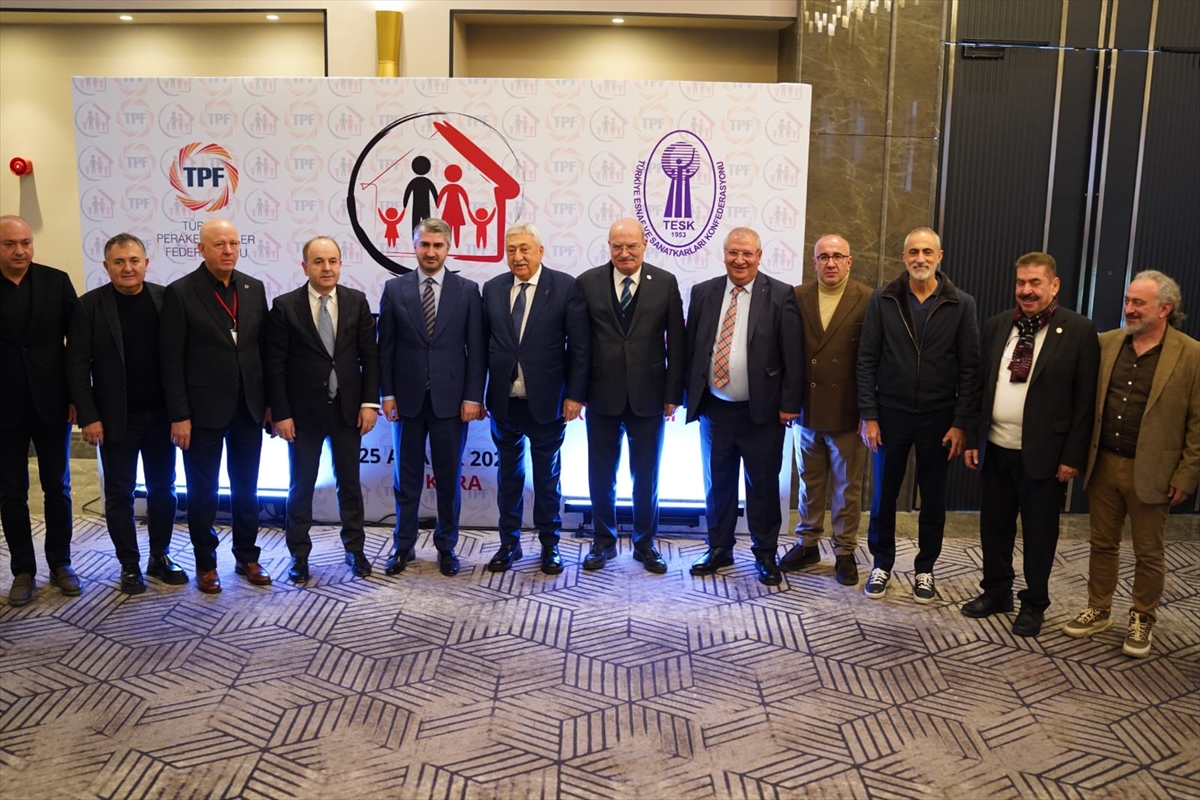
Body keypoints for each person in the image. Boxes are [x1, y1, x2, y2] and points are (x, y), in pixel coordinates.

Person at [1063, 271, 1200, 657]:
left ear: (1165, 309)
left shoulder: (1192, 355)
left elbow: (1197, 423)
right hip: (1104, 463)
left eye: (1139, 303)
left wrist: (1187, 474)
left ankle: (1142, 617)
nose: (1129, 309)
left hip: (1155, 470)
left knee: (1148, 552)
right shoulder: (1105, 343)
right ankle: (1099, 608)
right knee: (1102, 543)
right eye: (1128, 301)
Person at [962, 253, 1099, 636]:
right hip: (995, 447)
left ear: (1054, 285)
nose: (1026, 290)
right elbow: (979, 386)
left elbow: (1085, 401)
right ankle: (996, 592)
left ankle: (1034, 602)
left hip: (1045, 455)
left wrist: (1073, 456)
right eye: (1021, 282)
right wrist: (973, 437)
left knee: (1039, 534)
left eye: (1035, 283)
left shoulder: (1079, 330)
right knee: (995, 528)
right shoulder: (997, 325)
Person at [857, 227, 979, 602]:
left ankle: (925, 569)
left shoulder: (962, 304)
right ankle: (881, 563)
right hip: (889, 415)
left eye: (927, 252)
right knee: (883, 497)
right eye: (914, 252)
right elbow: (866, 360)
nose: (920, 258)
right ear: (904, 257)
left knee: (934, 499)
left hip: (939, 418)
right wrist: (869, 415)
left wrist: (960, 423)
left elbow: (970, 369)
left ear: (939, 257)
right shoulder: (883, 299)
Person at [65, 232, 186, 594]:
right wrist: (89, 416)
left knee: (164, 489)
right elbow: (76, 366)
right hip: (115, 419)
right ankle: (129, 564)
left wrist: (182, 412)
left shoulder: (167, 299)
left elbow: (181, 358)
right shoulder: (89, 306)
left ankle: (160, 556)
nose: (127, 268)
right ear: (106, 266)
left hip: (162, 416)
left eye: (134, 261)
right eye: (119, 262)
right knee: (119, 494)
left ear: (146, 263)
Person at [684, 227, 804, 586]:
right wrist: (688, 397)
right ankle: (719, 548)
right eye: (733, 252)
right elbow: (691, 349)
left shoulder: (780, 294)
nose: (740, 260)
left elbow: (793, 355)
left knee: (763, 486)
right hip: (715, 409)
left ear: (759, 256)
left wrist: (789, 404)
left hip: (762, 411)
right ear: (724, 254)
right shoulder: (703, 292)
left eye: (747, 253)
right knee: (716, 483)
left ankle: (765, 553)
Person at [161, 218, 272, 594]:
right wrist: (179, 415)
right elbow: (171, 361)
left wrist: (269, 404)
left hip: (248, 408)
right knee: (203, 491)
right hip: (201, 411)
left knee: (247, 487)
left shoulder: (253, 288)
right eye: (219, 244)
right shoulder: (180, 292)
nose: (228, 250)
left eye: (233, 243)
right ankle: (206, 562)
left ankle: (247, 555)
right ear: (202, 249)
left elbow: (263, 351)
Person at [266, 236, 380, 584]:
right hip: (302, 415)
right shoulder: (285, 306)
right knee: (300, 487)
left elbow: (370, 356)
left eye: (332, 261)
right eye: (318, 261)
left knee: (350, 485)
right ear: (305, 267)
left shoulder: (356, 301)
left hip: (348, 411)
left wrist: (369, 403)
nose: (326, 268)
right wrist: (282, 413)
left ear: (340, 264)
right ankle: (299, 555)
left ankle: (355, 550)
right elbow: (275, 365)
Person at [576, 218, 685, 574]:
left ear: (644, 245)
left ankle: (645, 544)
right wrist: (577, 392)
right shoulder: (587, 282)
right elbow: (578, 345)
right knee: (600, 475)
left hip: (649, 397)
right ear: (609, 246)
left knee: (647, 476)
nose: (625, 253)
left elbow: (677, 343)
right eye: (617, 246)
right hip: (600, 395)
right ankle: (603, 542)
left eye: (631, 246)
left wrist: (673, 393)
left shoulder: (665, 283)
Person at [378, 218, 485, 577]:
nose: (431, 252)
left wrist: (473, 397)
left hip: (452, 403)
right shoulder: (394, 290)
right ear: (414, 247)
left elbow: (476, 350)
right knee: (405, 480)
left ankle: (447, 546)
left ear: (448, 248)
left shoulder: (467, 290)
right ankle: (403, 546)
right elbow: (385, 348)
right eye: (424, 244)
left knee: (449, 479)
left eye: (438, 245)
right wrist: (387, 394)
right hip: (406, 401)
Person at [481, 223, 589, 574]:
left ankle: (549, 545)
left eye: (525, 249)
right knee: (508, 477)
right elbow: (482, 346)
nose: (518, 256)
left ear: (540, 251)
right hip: (504, 403)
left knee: (546, 479)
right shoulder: (493, 288)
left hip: (548, 403)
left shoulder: (564, 287)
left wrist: (575, 395)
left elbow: (580, 347)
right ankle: (508, 544)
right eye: (511, 250)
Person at [780, 234, 871, 586]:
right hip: (807, 408)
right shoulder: (797, 295)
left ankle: (845, 551)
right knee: (809, 482)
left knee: (848, 487)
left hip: (847, 411)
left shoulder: (867, 298)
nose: (830, 263)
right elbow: (787, 352)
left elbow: (871, 360)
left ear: (849, 261)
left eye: (837, 256)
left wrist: (867, 412)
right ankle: (807, 544)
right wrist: (788, 402)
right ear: (813, 262)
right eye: (823, 257)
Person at [0, 215, 79, 605]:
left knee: (58, 489)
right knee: (11, 492)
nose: (20, 251)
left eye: (26, 243)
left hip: (52, 403)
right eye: (10, 244)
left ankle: (61, 563)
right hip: (4, 407)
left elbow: (77, 345)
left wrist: (78, 397)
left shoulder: (56, 281)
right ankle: (23, 571)